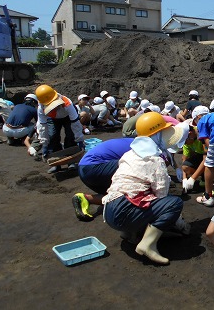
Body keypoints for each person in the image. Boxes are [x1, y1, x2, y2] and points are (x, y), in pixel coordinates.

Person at [102, 112, 190, 265]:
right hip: (124, 213)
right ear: (157, 136)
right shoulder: (155, 159)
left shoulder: (129, 154)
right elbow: (162, 195)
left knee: (142, 195)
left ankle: (132, 234)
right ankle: (147, 244)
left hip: (110, 210)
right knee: (174, 203)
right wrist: (179, 223)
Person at [72, 138, 133, 221]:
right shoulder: (147, 147)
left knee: (120, 196)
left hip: (84, 170)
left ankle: (86, 198)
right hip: (94, 168)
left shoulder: (135, 140)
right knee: (137, 168)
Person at [35, 84, 85, 173]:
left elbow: (76, 124)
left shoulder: (67, 103)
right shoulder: (41, 106)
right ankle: (56, 163)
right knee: (53, 137)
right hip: (52, 118)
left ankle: (71, 162)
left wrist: (79, 139)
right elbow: (42, 126)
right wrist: (44, 144)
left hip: (67, 118)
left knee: (70, 136)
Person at [181, 124, 206, 193]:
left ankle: (212, 178)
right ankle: (203, 175)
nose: (185, 143)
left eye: (185, 141)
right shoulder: (187, 140)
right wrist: (184, 178)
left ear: (190, 134)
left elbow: (207, 158)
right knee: (185, 167)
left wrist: (192, 178)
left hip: (213, 156)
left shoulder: (202, 135)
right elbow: (184, 159)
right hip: (199, 155)